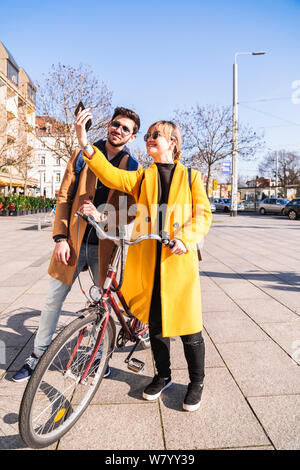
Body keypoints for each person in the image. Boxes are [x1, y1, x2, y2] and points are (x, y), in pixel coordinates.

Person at [75, 110, 212, 412]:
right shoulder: (142, 176)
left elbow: (203, 215)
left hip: (177, 263)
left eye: (155, 136)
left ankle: (197, 382)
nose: (149, 139)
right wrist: (85, 143)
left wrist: (185, 239)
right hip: (147, 261)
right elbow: (111, 175)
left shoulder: (192, 178)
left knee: (190, 329)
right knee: (156, 326)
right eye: (148, 136)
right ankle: (163, 376)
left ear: (173, 143)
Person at [12, 106, 140, 382]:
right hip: (73, 240)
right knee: (53, 299)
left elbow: (130, 209)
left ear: (132, 137)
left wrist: (103, 215)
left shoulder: (133, 168)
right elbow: (64, 197)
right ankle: (37, 356)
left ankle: (97, 355)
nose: (118, 129)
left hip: (105, 245)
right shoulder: (83, 155)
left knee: (100, 306)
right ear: (108, 125)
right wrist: (59, 237)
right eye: (115, 124)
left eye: (125, 128)